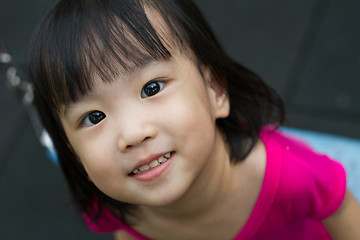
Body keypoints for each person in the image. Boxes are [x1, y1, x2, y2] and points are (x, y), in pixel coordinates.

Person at [28, 0, 360, 239]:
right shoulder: (113, 203)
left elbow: (341, 208)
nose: (132, 133)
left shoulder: (285, 175)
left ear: (215, 90)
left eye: (152, 87)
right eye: (94, 116)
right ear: (69, 149)